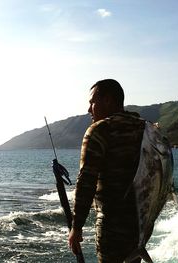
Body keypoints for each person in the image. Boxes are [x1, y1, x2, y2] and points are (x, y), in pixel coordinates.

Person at [68, 79, 146, 263]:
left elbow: (86, 181)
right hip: (139, 227)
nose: (89, 110)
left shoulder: (99, 130)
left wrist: (76, 227)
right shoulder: (145, 128)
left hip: (111, 228)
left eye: (92, 103)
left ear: (108, 100)